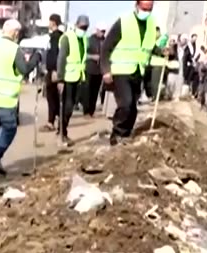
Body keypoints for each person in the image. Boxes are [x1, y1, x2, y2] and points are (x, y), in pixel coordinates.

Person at [101, 0, 158, 146]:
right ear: (136, 5)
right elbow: (107, 46)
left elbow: (149, 46)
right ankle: (117, 135)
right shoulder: (124, 21)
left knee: (132, 108)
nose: (146, 12)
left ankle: (126, 135)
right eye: (144, 8)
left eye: (149, 9)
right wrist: (106, 70)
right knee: (125, 104)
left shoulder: (151, 24)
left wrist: (162, 51)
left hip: (138, 70)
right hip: (120, 71)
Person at [0, 19, 34, 176]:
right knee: (10, 129)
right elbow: (23, 69)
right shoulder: (14, 49)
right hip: (6, 100)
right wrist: (34, 60)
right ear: (15, 33)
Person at [56, 16, 90, 145]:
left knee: (70, 107)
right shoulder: (67, 38)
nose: (83, 30)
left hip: (78, 77)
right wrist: (60, 79)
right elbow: (61, 59)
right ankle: (61, 132)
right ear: (76, 25)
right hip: (67, 78)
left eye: (85, 28)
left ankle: (63, 131)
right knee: (67, 107)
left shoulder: (84, 39)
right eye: (81, 27)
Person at [42, 14, 63, 130]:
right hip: (51, 70)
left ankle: (51, 122)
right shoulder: (54, 36)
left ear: (53, 22)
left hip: (53, 71)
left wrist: (54, 70)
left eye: (50, 22)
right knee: (52, 96)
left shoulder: (56, 37)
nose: (48, 24)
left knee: (52, 96)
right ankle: (55, 119)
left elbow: (55, 54)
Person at [83, 25, 105, 116]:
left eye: (104, 31)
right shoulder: (89, 40)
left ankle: (91, 111)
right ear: (97, 30)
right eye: (101, 31)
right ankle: (86, 110)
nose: (102, 33)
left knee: (95, 92)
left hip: (99, 70)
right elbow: (84, 53)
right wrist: (92, 57)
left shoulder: (105, 40)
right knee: (88, 90)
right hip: (89, 68)